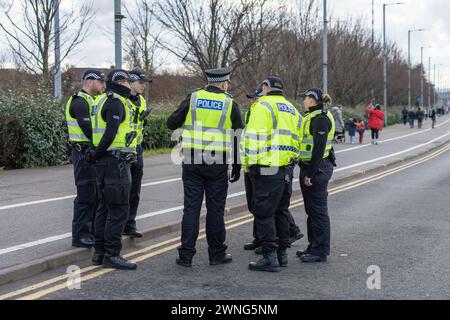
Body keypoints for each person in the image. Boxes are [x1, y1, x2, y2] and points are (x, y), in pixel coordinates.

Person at [167, 67, 244, 268]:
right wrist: (236, 165)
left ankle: (186, 255)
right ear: (223, 83)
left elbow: (171, 123)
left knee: (191, 208)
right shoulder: (230, 104)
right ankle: (216, 254)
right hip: (216, 163)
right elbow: (237, 136)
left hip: (192, 161)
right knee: (215, 210)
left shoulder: (192, 98)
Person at [242, 76, 302, 272]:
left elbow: (253, 137)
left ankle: (269, 257)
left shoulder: (262, 106)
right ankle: (282, 254)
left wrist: (249, 164)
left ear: (266, 88)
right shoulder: (292, 109)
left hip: (266, 167)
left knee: (264, 212)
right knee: (281, 211)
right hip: (286, 168)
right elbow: (298, 138)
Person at [88, 69, 138, 270]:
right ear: (121, 82)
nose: (130, 85)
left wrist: (95, 155)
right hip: (115, 163)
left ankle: (99, 253)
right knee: (118, 210)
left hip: (104, 163)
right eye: (128, 81)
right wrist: (97, 154)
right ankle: (112, 254)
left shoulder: (101, 99)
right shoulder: (116, 102)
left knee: (103, 208)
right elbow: (109, 134)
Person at [66, 70, 105, 248]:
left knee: (95, 194)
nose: (103, 86)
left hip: (91, 152)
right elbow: (87, 128)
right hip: (82, 153)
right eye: (100, 82)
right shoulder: (80, 102)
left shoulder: (92, 100)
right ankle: (80, 235)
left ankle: (91, 231)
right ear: (90, 82)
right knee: (85, 194)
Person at [296, 88, 336, 263]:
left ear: (312, 99)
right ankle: (313, 246)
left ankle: (320, 251)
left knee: (318, 211)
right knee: (311, 210)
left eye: (305, 98)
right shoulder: (311, 116)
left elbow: (319, 149)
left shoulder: (320, 118)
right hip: (310, 167)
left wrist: (310, 174)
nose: (303, 101)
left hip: (317, 169)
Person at [124, 70, 153, 238]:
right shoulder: (121, 99)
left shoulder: (141, 100)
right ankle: (118, 224)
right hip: (122, 150)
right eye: (141, 82)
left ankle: (130, 224)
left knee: (135, 190)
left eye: (145, 83)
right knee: (121, 190)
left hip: (137, 150)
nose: (143, 86)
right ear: (131, 82)